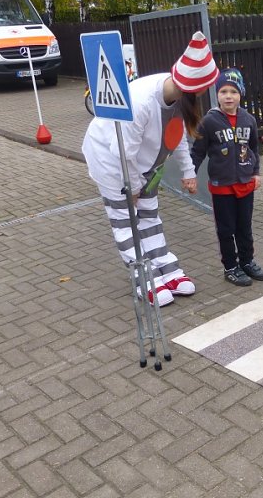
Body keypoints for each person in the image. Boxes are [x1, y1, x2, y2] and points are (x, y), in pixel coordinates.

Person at [81, 31, 218, 307]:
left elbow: (177, 134)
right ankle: (143, 275)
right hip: (111, 161)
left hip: (146, 165)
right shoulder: (142, 102)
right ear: (194, 87)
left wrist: (188, 171)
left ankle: (165, 267)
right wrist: (132, 187)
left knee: (149, 215)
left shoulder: (176, 97)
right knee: (126, 219)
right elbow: (123, 152)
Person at [190, 67, 263, 286]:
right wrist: (190, 175)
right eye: (223, 91)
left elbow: (253, 148)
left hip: (245, 183)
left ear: (240, 94)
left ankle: (247, 262)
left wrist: (256, 172)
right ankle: (230, 267)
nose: (228, 96)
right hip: (222, 186)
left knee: (245, 227)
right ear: (217, 95)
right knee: (226, 229)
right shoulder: (210, 121)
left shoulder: (249, 120)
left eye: (233, 92)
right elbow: (197, 152)